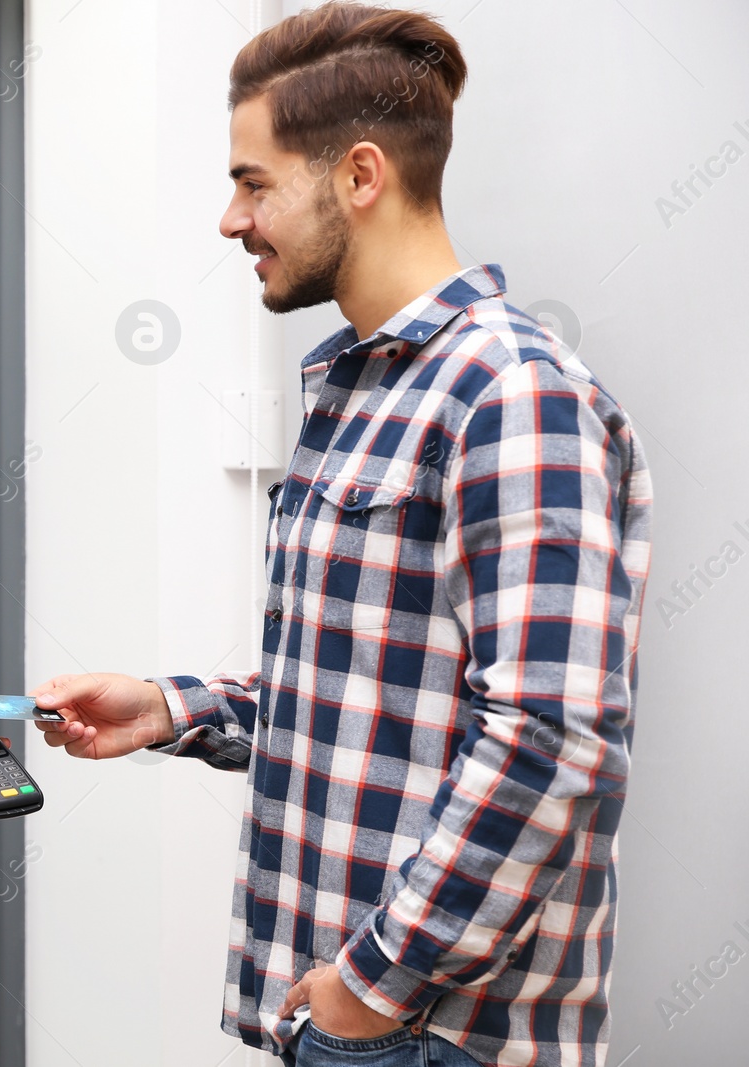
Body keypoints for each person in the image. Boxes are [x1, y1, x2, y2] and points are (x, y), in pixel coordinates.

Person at [33, 6, 650, 1067]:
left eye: (253, 182)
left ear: (358, 176)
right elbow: (375, 701)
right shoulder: (358, 387)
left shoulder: (510, 393)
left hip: (434, 1032)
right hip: (354, 1020)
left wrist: (373, 980)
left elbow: (553, 737)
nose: (231, 220)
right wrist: (170, 706)